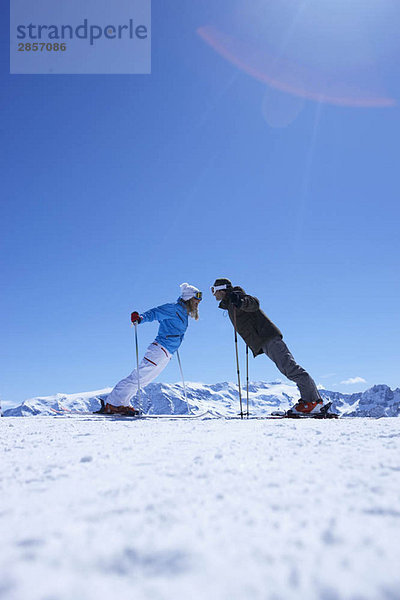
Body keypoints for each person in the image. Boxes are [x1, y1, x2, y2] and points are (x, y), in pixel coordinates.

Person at [211, 278, 324, 416]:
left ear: (221, 289)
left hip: (268, 337)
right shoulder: (230, 303)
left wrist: (240, 301)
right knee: (288, 368)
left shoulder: (237, 295)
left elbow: (254, 304)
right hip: (263, 340)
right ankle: (313, 402)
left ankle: (311, 402)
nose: (213, 294)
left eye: (213, 290)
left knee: (290, 368)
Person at [99, 283, 202, 415]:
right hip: (159, 350)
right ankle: (112, 403)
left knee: (144, 380)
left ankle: (122, 403)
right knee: (138, 376)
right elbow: (155, 313)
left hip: (166, 353)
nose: (198, 303)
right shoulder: (173, 309)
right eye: (196, 299)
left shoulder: (183, 313)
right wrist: (140, 318)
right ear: (188, 298)